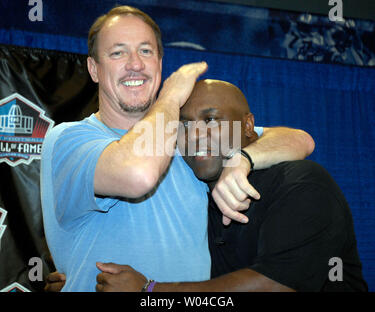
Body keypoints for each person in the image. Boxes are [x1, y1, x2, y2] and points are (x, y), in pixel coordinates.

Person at [41, 6, 314, 292]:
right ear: (94, 69)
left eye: (145, 51)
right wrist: (171, 94)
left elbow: (298, 140)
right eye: (118, 52)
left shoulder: (188, 138)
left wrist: (242, 159)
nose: (135, 64)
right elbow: (138, 174)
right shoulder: (69, 140)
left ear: (160, 63)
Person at [91, 80, 368, 292]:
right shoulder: (195, 195)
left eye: (211, 120)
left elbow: (275, 286)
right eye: (184, 125)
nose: (195, 135)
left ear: (249, 126)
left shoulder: (302, 183)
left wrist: (150, 291)